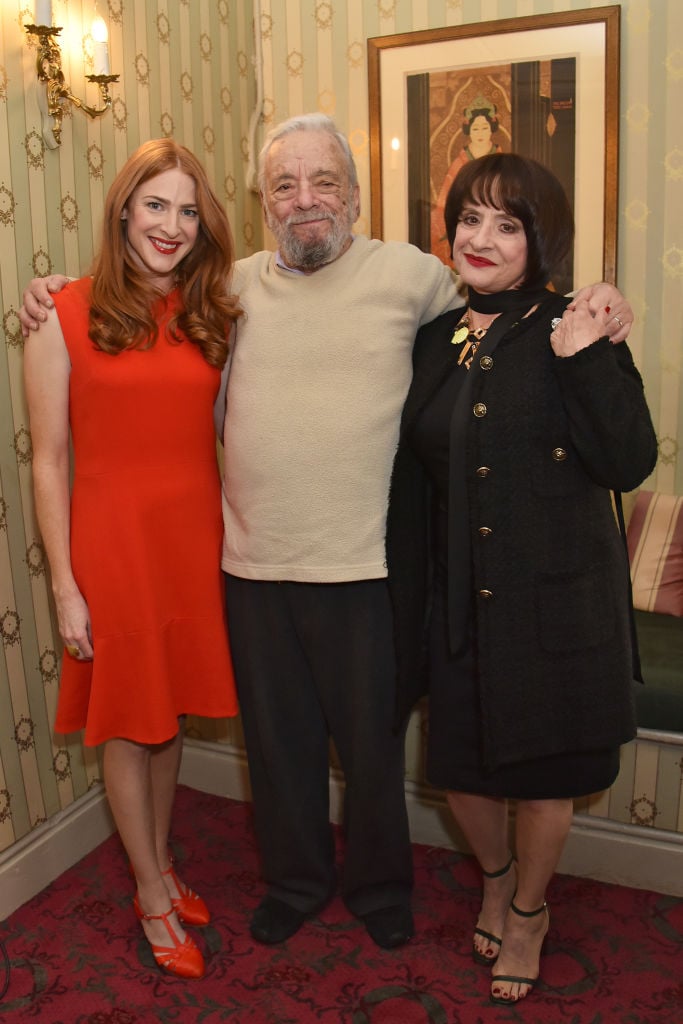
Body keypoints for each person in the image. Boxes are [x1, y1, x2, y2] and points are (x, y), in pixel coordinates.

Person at [20, 115, 634, 953]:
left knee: (373, 753)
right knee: (278, 751)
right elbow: (133, 311)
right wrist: (51, 289)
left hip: (366, 568)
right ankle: (296, 882)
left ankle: (382, 889)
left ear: (353, 194)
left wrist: (598, 298)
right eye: (283, 185)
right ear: (262, 202)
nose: (305, 201)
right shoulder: (224, 290)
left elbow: (512, 295)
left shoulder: (415, 276)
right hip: (247, 565)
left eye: (323, 183)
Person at [386, 152, 657, 1003]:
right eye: (469, 218)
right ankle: (495, 876)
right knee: (460, 773)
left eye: (507, 224)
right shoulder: (435, 337)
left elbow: (627, 460)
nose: (481, 238)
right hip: (457, 598)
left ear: (540, 241)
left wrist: (586, 356)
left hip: (555, 603)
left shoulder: (573, 322)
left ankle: (530, 911)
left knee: (543, 780)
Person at [23, 139, 243, 979]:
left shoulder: (209, 313)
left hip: (194, 544)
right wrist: (65, 589)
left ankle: (164, 859)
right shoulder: (62, 311)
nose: (172, 225)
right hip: (113, 550)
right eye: (156, 205)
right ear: (123, 210)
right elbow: (48, 459)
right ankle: (151, 889)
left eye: (188, 211)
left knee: (172, 710)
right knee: (127, 718)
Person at [431, 96, 503, 263]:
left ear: (491, 129)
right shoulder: (459, 164)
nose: (480, 133)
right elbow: (443, 204)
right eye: (475, 129)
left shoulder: (503, 165)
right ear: (469, 130)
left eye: (484, 128)